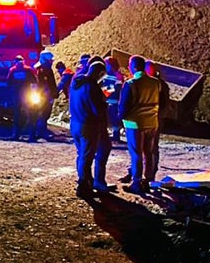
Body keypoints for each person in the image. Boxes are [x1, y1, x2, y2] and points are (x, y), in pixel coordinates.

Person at [68, 54, 111, 198]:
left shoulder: (76, 82)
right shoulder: (92, 86)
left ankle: (87, 182)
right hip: (89, 125)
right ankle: (84, 187)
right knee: (87, 158)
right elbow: (97, 109)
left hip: (75, 123)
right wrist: (104, 105)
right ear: (99, 73)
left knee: (82, 155)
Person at [117, 55, 160, 194]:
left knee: (136, 154)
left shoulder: (130, 84)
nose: (128, 67)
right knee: (149, 153)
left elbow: (124, 106)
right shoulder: (156, 83)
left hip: (135, 124)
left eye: (130, 65)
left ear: (134, 67)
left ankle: (136, 182)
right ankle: (148, 181)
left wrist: (119, 118)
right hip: (152, 122)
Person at [144, 61, 172, 179]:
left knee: (152, 146)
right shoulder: (151, 83)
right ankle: (143, 172)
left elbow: (164, 103)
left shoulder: (160, 85)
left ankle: (151, 172)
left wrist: (159, 116)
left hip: (154, 119)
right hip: (149, 118)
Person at [6, 55, 39, 141]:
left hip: (17, 96)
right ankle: (31, 136)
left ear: (15, 61)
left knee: (17, 115)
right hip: (27, 95)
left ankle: (16, 135)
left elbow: (9, 82)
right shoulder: (28, 69)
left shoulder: (13, 70)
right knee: (31, 114)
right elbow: (34, 81)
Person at [33, 49, 59, 141]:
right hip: (43, 96)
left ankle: (40, 131)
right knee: (43, 114)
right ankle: (41, 131)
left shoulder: (42, 69)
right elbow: (47, 84)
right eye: (50, 60)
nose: (51, 62)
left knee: (44, 114)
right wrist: (50, 95)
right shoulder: (43, 70)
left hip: (43, 95)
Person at [100, 55, 125, 143]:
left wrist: (105, 91)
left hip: (114, 101)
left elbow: (117, 88)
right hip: (105, 101)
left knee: (114, 119)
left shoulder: (118, 77)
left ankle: (116, 135)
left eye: (107, 64)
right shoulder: (104, 75)